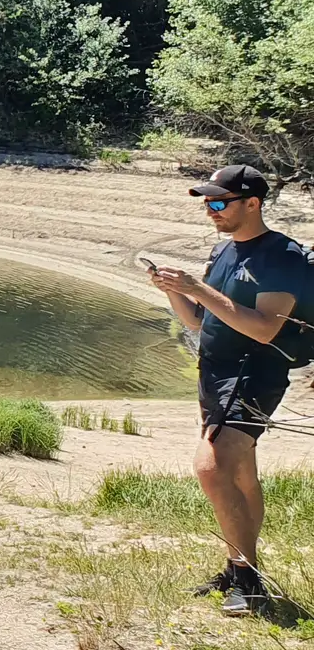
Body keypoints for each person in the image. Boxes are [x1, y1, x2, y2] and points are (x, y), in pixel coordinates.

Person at [149, 164, 310, 618]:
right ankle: (237, 569)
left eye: (219, 202)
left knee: (211, 467)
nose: (211, 210)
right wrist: (173, 290)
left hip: (254, 373)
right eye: (207, 203)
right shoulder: (223, 250)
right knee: (241, 475)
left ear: (252, 203)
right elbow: (198, 321)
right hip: (214, 373)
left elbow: (264, 329)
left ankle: (247, 579)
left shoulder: (282, 256)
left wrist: (197, 287)